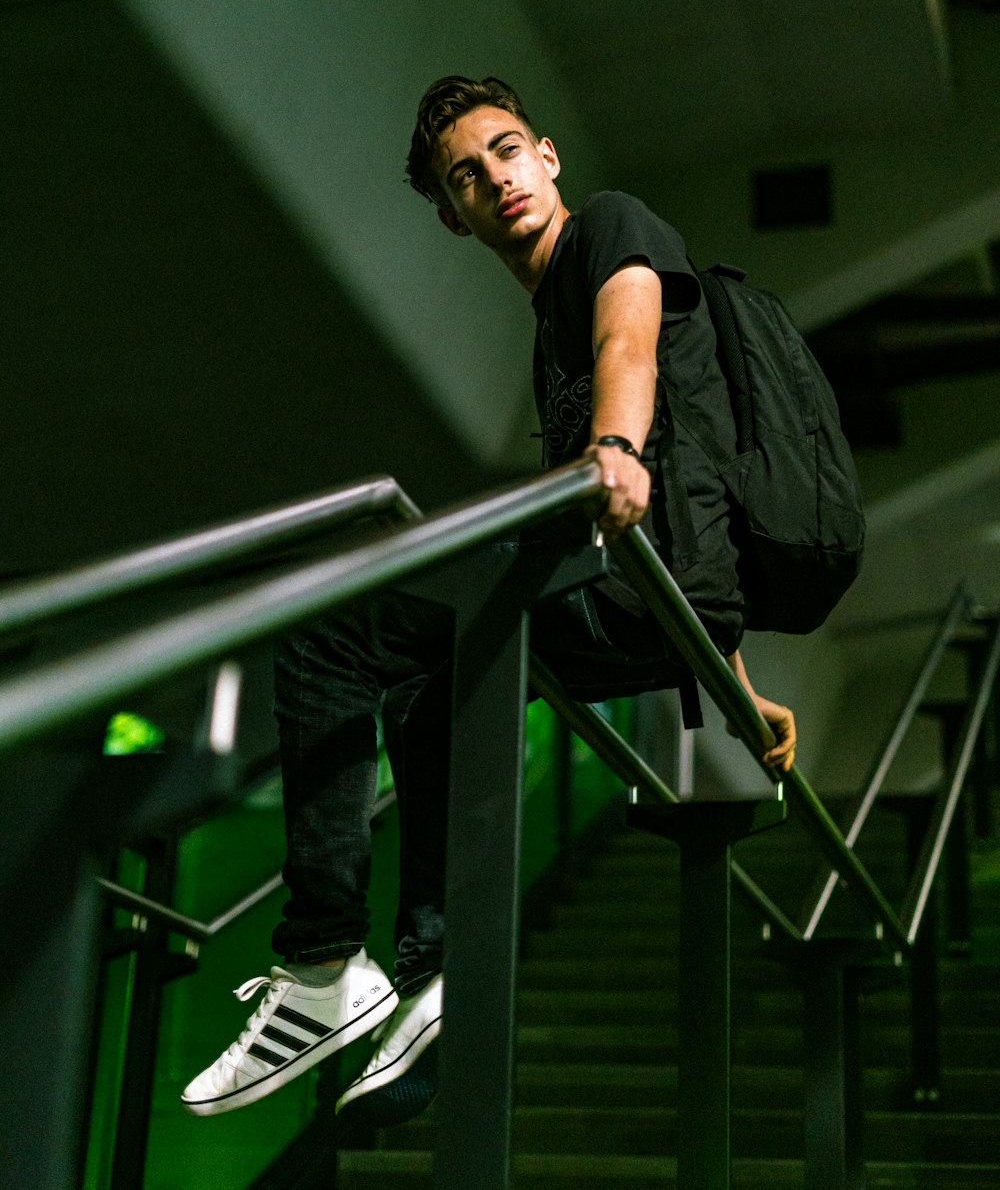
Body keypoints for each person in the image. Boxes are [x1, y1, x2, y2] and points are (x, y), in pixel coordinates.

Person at [181, 76, 796, 1130]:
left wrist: (610, 446)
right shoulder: (546, 329)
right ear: (449, 213)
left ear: (548, 155)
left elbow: (632, 343)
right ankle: (434, 978)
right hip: (660, 607)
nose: (496, 177)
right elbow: (683, 498)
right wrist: (738, 687)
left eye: (507, 151)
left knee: (335, 626)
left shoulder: (610, 232)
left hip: (629, 590)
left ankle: (324, 962)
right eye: (467, 175)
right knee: (427, 688)